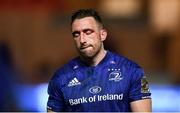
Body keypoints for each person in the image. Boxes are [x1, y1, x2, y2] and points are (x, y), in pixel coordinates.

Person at [47, 9, 152, 112]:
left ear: (103, 35)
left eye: (88, 32)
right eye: (76, 34)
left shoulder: (131, 71)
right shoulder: (61, 78)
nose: (82, 40)